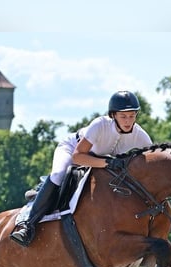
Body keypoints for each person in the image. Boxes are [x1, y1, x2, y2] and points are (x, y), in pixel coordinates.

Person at [10, 90, 153, 247]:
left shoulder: (141, 137)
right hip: (72, 150)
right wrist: (107, 163)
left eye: (132, 116)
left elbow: (151, 166)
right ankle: (27, 225)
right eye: (123, 116)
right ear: (113, 115)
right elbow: (78, 157)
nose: (128, 121)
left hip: (97, 161)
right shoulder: (100, 125)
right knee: (58, 174)